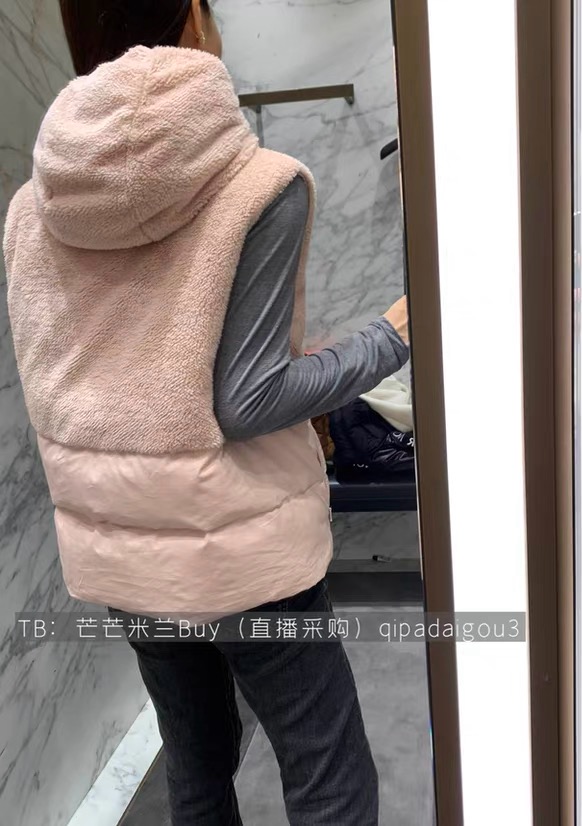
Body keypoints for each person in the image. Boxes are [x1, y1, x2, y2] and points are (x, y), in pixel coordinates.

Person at [3, 1, 410, 823]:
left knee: (195, 761)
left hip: (122, 551)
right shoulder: (260, 186)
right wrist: (388, 338)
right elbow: (248, 399)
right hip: (241, 553)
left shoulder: (30, 208)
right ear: (194, 19)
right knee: (325, 767)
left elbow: (100, 377)